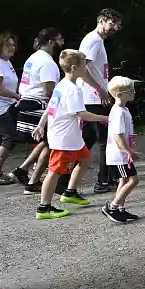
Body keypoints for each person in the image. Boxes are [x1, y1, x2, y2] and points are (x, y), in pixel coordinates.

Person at [33, 50, 109, 219]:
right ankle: (44, 208)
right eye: (84, 65)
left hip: (71, 137)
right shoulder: (72, 89)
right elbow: (81, 114)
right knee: (54, 171)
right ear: (75, 68)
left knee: (86, 159)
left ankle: (70, 192)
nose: (87, 68)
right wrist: (103, 118)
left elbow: (50, 107)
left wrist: (41, 125)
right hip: (64, 138)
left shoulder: (62, 85)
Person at [8, 28, 64, 193]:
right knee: (52, 143)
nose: (62, 42)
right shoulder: (47, 62)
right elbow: (48, 90)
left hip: (27, 102)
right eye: (60, 38)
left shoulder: (32, 58)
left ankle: (24, 170)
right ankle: (32, 181)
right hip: (38, 104)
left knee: (45, 142)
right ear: (51, 41)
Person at [77, 8, 122, 194]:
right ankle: (103, 181)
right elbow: (82, 68)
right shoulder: (93, 40)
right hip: (92, 98)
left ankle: (65, 178)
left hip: (93, 97)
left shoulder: (97, 41)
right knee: (105, 140)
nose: (116, 27)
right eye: (113, 23)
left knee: (89, 139)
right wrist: (100, 89)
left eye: (118, 24)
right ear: (101, 20)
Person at [100, 76, 141, 223]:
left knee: (124, 180)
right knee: (133, 180)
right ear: (119, 94)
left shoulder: (123, 110)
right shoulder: (118, 112)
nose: (133, 93)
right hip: (119, 155)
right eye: (130, 91)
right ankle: (112, 206)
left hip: (122, 154)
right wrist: (128, 151)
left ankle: (120, 209)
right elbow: (118, 135)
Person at [0, 32, 21, 185]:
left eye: (13, 45)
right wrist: (16, 95)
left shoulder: (5, 62)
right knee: (11, 137)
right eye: (8, 45)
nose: (12, 48)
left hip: (3, 106)